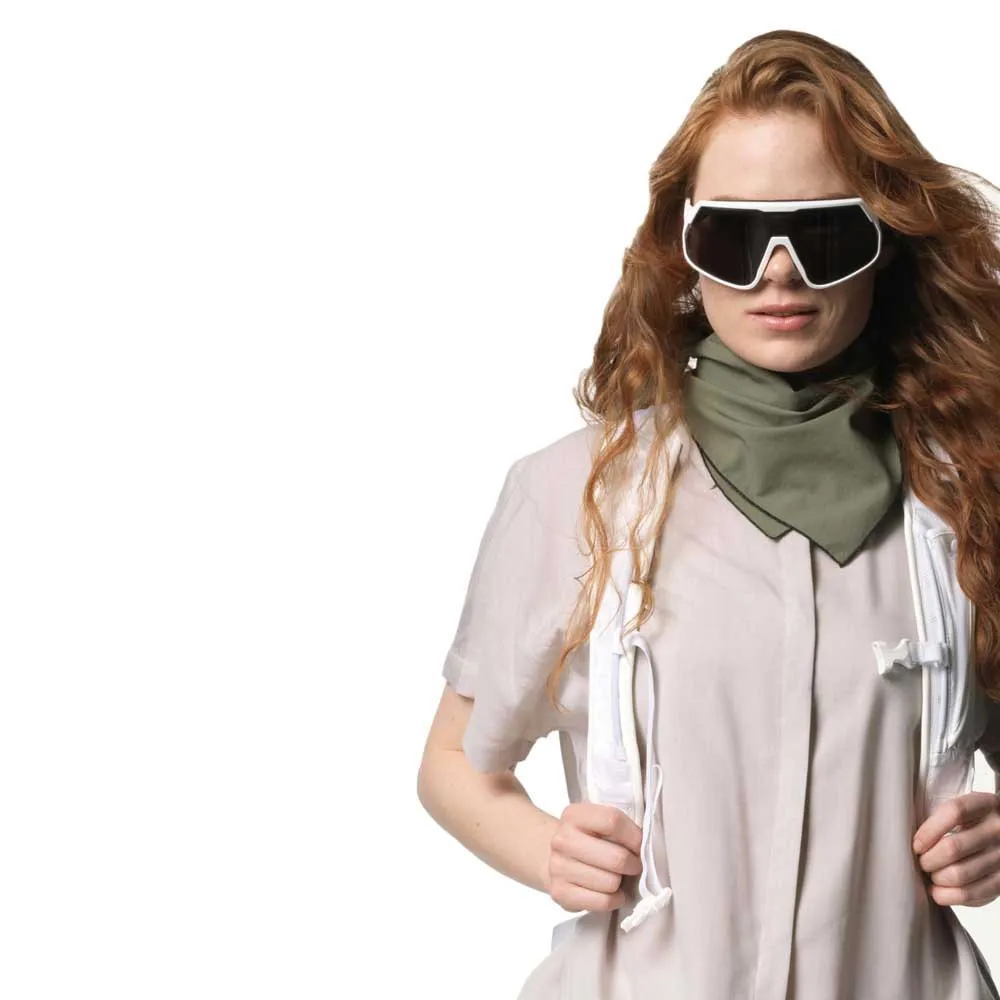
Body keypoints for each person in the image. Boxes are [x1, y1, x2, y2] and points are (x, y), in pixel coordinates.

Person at [416, 28, 1000, 1000]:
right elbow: (452, 762)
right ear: (683, 247)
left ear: (884, 242)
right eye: (734, 236)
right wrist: (546, 848)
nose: (778, 273)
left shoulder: (968, 495)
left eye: (822, 234)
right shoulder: (573, 493)